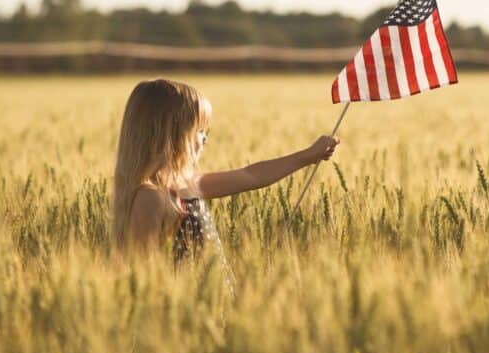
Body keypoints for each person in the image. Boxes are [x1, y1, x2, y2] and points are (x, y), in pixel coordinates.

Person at [113, 78, 339, 258]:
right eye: (199, 131)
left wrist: (308, 156)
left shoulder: (188, 183)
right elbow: (141, 273)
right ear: (171, 135)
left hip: (214, 303)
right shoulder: (150, 198)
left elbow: (251, 176)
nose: (205, 139)